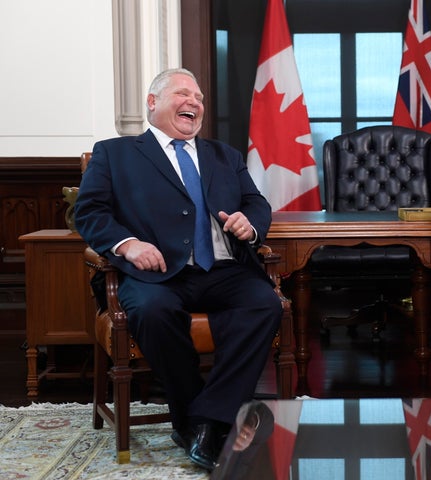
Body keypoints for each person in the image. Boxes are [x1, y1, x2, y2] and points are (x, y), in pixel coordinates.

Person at [74, 68, 283, 470]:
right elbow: (89, 212)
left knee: (265, 305)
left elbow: (256, 203)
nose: (195, 103)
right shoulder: (114, 153)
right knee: (152, 310)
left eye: (200, 97)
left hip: (223, 269)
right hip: (155, 273)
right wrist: (128, 245)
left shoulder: (226, 155)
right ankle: (202, 420)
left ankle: (203, 419)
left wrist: (249, 223)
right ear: (153, 102)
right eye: (183, 94)